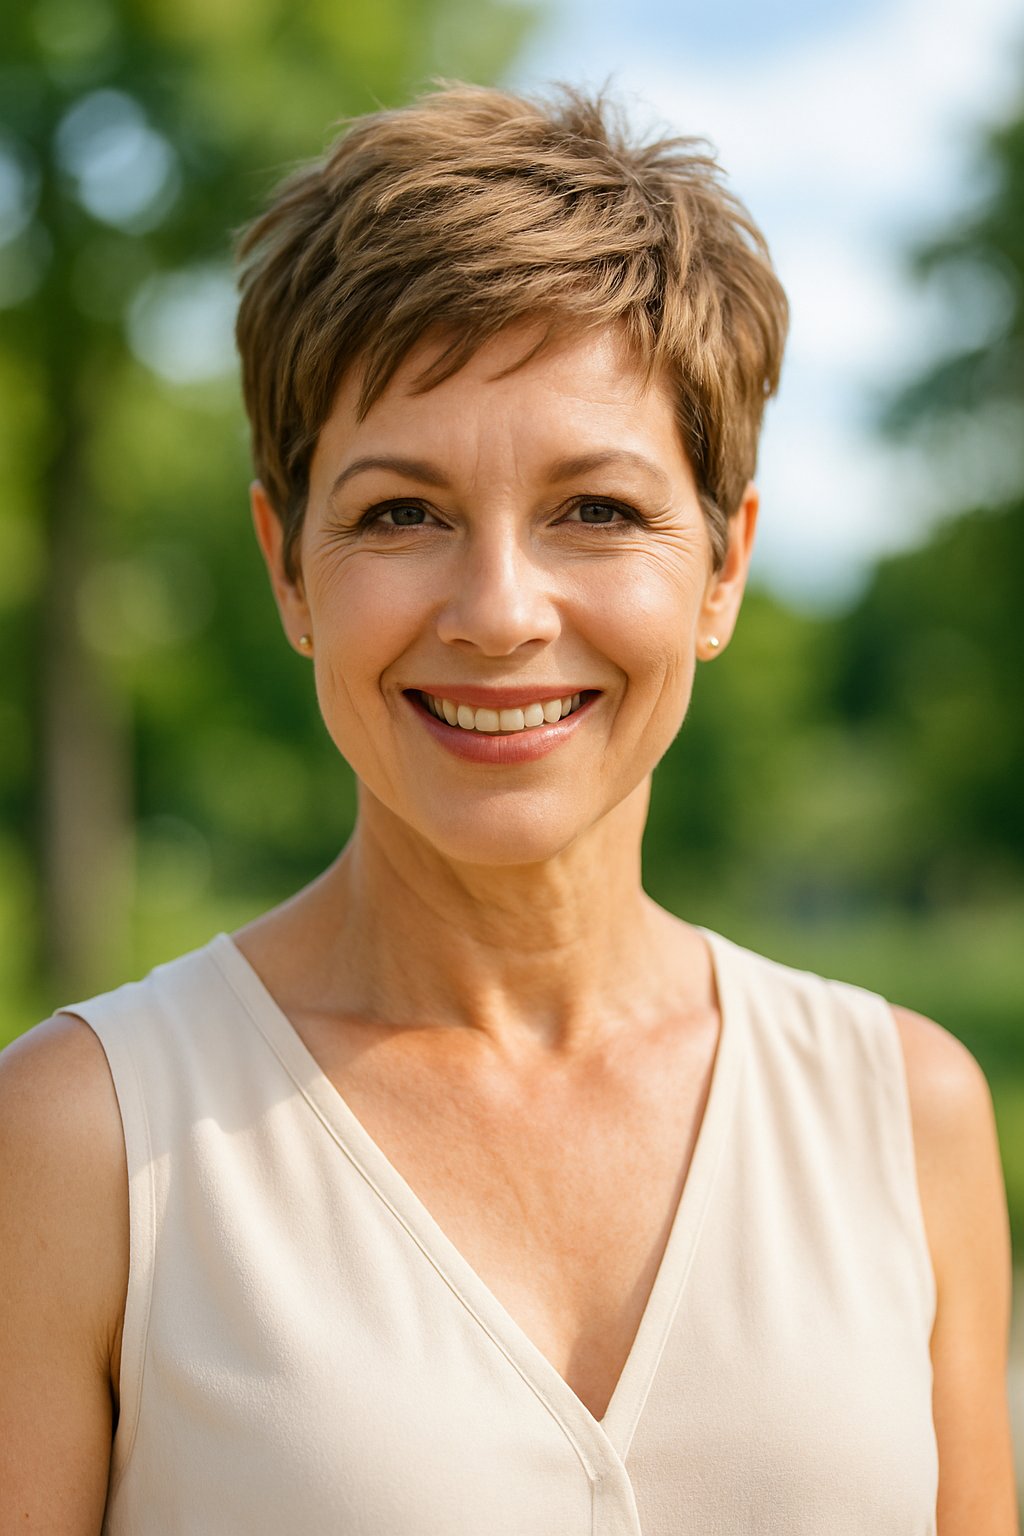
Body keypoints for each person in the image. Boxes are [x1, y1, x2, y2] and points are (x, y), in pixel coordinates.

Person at [0, 82, 1016, 1536]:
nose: (497, 611)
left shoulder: (905, 1114)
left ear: (724, 566)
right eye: (400, 514)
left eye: (596, 510)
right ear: (288, 567)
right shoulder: (74, 1141)